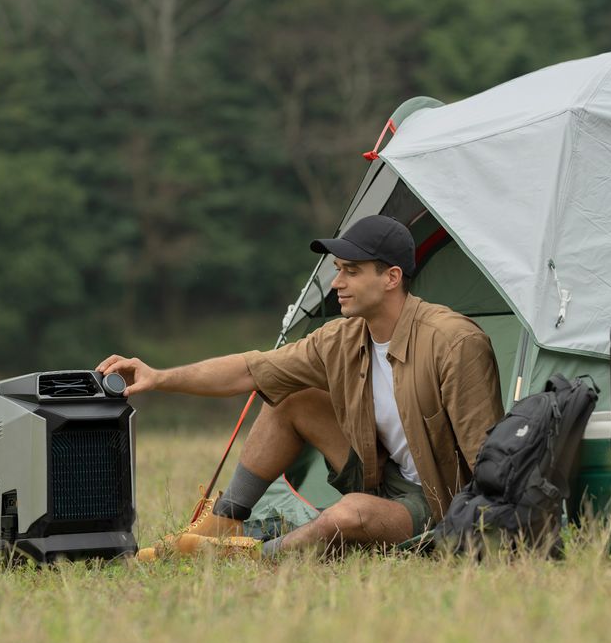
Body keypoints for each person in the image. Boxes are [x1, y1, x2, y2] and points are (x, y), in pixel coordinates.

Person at [97, 215, 503, 559]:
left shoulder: (453, 343)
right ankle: (221, 524)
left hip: (438, 503)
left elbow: (488, 459)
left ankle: (249, 556)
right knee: (290, 397)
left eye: (351, 271)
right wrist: (160, 377)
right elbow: (250, 371)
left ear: (391, 277)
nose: (335, 283)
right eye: (338, 269)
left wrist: (487, 537)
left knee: (348, 514)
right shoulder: (343, 338)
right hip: (384, 475)